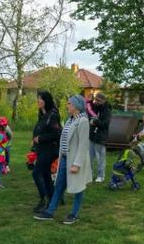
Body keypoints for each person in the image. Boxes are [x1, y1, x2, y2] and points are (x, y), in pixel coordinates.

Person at [35, 95, 92, 224]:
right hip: (65, 158)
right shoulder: (70, 120)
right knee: (59, 185)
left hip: (76, 160)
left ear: (76, 106)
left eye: (69, 103)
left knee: (79, 187)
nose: (67, 105)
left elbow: (83, 145)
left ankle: (74, 214)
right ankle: (50, 212)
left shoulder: (83, 121)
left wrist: (77, 164)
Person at [30, 90, 61, 214]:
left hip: (50, 149)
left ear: (46, 100)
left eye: (41, 99)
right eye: (38, 98)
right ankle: (52, 199)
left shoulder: (53, 115)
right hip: (42, 149)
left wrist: (40, 138)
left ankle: (44, 199)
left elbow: (56, 133)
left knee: (37, 173)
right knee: (46, 174)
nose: (38, 101)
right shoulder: (42, 114)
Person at [87, 93, 111, 182]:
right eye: (95, 99)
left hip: (101, 137)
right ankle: (90, 174)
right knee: (89, 157)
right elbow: (89, 114)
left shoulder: (107, 110)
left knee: (100, 158)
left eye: (98, 100)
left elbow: (105, 124)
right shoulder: (94, 107)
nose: (96, 102)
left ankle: (101, 176)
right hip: (92, 135)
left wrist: (95, 122)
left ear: (103, 101)